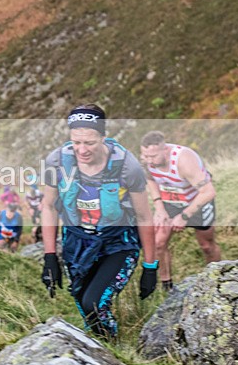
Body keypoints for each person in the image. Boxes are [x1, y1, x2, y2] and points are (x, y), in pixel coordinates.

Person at [41, 104, 157, 339]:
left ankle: (113, 348)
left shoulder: (127, 166)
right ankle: (97, 346)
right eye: (76, 142)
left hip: (118, 242)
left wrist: (150, 267)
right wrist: (50, 256)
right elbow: (48, 206)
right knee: (81, 301)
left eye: (90, 143)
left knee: (93, 303)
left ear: (103, 137)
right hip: (77, 242)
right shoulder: (57, 162)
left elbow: (144, 216)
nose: (82, 149)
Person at [140, 131, 221, 290]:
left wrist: (185, 216)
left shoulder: (183, 161)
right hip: (171, 200)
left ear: (165, 150)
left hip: (198, 200)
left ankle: (215, 280)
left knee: (206, 245)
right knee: (158, 243)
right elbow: (151, 180)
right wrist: (159, 208)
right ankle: (167, 287)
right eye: (146, 156)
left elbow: (209, 192)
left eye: (154, 156)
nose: (149, 161)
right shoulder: (146, 160)